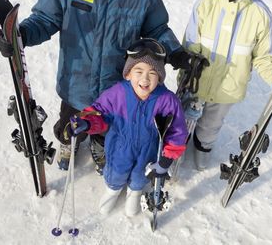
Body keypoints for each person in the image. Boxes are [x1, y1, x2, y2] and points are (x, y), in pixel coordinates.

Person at [0, 0, 192, 170]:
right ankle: (70, 143)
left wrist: (175, 52)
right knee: (70, 120)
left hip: (115, 86)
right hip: (75, 80)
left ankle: (100, 145)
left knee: (107, 122)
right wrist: (21, 35)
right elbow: (44, 20)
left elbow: (157, 29)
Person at [182, 0, 272, 170]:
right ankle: (177, 148)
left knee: (211, 124)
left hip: (228, 89)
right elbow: (190, 43)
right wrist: (188, 67)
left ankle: (203, 148)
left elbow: (264, 55)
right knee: (184, 118)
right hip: (196, 83)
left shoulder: (259, 13)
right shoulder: (204, 6)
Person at [67, 38, 188, 216]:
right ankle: (113, 190)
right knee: (116, 170)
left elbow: (177, 131)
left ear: (160, 77)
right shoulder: (118, 93)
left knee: (140, 175)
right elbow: (99, 112)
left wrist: (166, 159)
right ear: (128, 73)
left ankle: (135, 192)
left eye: (153, 73)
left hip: (148, 150)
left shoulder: (167, 100)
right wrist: (85, 123)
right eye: (138, 71)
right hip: (119, 145)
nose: (145, 79)